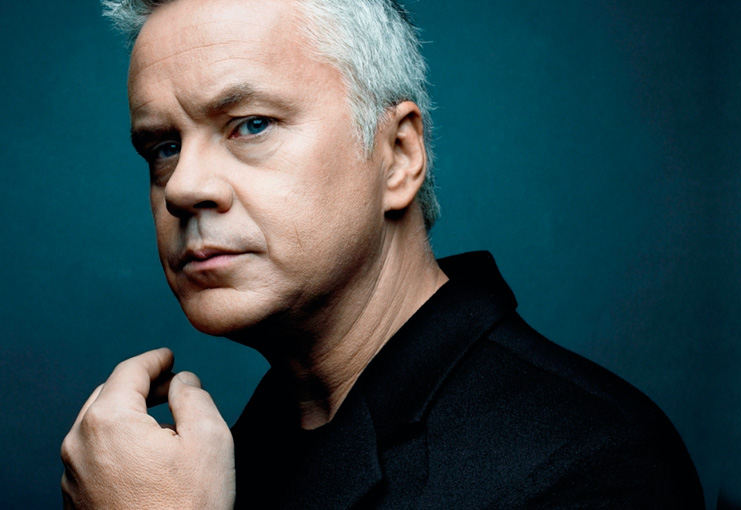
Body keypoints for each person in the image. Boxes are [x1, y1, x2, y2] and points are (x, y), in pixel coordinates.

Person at [60, 0, 704, 508]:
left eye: (251, 124)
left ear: (398, 155)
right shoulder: (217, 461)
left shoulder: (590, 464)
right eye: (163, 147)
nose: (183, 187)